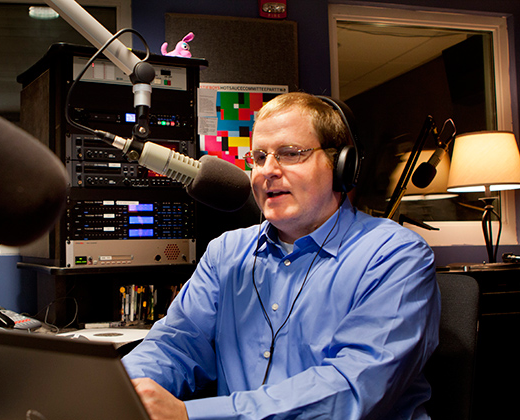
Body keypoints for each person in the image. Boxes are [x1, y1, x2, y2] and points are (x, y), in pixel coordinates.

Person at [122, 92, 441, 420]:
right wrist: (124, 389)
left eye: (290, 154)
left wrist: (189, 415)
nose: (267, 171)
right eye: (259, 158)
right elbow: (176, 344)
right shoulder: (226, 254)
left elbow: (349, 387)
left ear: (342, 165)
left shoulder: (395, 256)